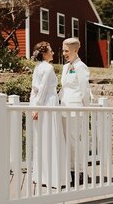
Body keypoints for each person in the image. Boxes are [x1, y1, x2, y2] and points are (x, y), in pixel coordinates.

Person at [30, 41, 66, 188]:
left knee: (42, 138)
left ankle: (42, 175)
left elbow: (35, 90)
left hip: (40, 102)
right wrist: (38, 107)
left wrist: (34, 106)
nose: (53, 53)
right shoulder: (48, 68)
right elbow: (44, 89)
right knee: (52, 137)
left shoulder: (37, 67)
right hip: (48, 102)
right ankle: (54, 178)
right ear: (44, 53)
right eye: (50, 50)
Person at [59, 37, 91, 185]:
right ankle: (70, 171)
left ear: (75, 50)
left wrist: (85, 108)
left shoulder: (81, 67)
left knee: (75, 141)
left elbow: (84, 90)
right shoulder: (66, 67)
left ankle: (81, 172)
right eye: (63, 50)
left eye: (66, 50)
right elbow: (63, 88)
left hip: (76, 108)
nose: (64, 53)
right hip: (64, 108)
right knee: (67, 141)